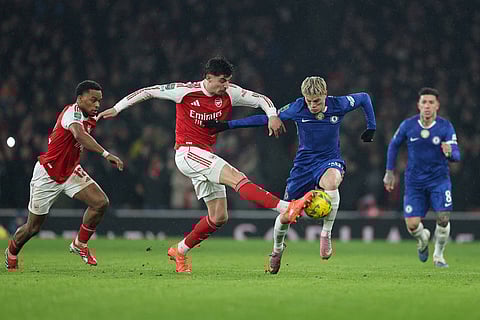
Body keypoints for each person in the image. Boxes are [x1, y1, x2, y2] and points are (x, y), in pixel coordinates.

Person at [97, 57, 313, 273]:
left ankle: (179, 251)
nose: (225, 85)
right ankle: (286, 207)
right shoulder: (185, 91)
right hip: (187, 152)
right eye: (221, 81)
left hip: (205, 154)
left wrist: (272, 116)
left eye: (228, 80)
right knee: (236, 177)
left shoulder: (230, 92)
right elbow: (148, 91)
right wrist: (117, 108)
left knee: (219, 216)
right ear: (208, 78)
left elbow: (261, 100)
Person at [204, 76, 376, 274]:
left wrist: (371, 126)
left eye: (317, 101)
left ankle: (326, 234)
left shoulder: (339, 104)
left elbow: (364, 98)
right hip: (302, 167)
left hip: (329, 161)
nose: (312, 105)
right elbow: (266, 119)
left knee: (332, 181)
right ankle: (277, 250)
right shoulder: (296, 108)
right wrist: (227, 125)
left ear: (325, 95)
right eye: (309, 101)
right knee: (286, 217)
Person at [5, 80, 124, 270]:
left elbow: (92, 122)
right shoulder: (72, 113)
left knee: (100, 202)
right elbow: (79, 135)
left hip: (70, 171)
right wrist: (106, 154)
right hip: (47, 173)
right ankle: (11, 251)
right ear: (80, 98)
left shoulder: (91, 115)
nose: (97, 105)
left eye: (99, 101)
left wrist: (109, 112)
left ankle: (80, 244)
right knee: (32, 228)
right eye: (93, 100)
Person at [383, 87, 460, 268]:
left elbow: (456, 155)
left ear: (437, 106)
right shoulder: (408, 125)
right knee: (412, 225)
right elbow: (393, 146)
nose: (427, 106)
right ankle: (423, 238)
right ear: (418, 105)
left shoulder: (445, 127)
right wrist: (389, 172)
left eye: (431, 102)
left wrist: (450, 153)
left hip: (439, 180)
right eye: (424, 102)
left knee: (443, 218)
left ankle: (439, 256)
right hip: (414, 182)